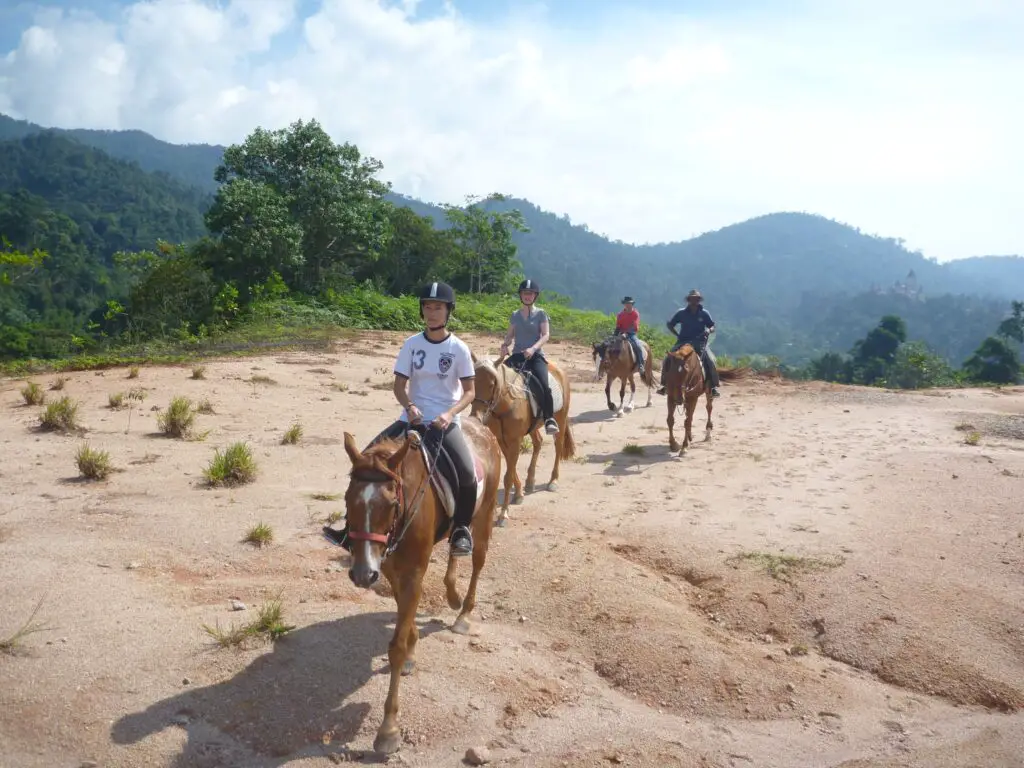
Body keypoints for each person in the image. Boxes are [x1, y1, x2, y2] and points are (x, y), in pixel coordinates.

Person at [325, 281, 479, 556]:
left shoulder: (459, 349)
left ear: (448, 311)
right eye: (427, 307)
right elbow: (399, 386)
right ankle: (349, 530)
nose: (432, 313)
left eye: (438, 308)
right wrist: (409, 406)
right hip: (411, 420)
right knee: (363, 463)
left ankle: (461, 530)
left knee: (466, 475)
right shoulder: (411, 345)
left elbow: (470, 392)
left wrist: (449, 413)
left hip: (444, 424)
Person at [500, 278, 559, 435]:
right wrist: (505, 345)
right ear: (521, 295)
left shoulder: (541, 314)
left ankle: (549, 418)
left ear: (535, 296)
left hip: (535, 356)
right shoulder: (515, 315)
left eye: (530, 294)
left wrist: (533, 349)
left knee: (544, 386)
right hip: (518, 356)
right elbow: (510, 335)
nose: (527, 296)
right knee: (498, 379)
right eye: (525, 293)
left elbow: (546, 335)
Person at [656, 289, 721, 398]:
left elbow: (712, 326)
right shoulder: (681, 313)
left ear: (699, 300)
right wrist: (677, 335)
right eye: (692, 298)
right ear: (689, 300)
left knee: (710, 360)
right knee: (668, 358)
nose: (694, 301)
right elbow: (670, 324)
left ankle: (713, 387)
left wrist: (708, 330)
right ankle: (665, 385)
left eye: (696, 299)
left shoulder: (704, 313)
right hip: (682, 342)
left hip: (699, 342)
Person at [614, 296, 645, 376]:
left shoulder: (635, 313)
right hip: (621, 334)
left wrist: (626, 333)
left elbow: (634, 326)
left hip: (631, 334)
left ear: (632, 304)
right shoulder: (620, 315)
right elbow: (618, 326)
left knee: (638, 346)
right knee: (611, 345)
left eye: (629, 303)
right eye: (626, 303)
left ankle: (641, 365)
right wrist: (614, 335)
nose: (628, 305)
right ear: (624, 304)